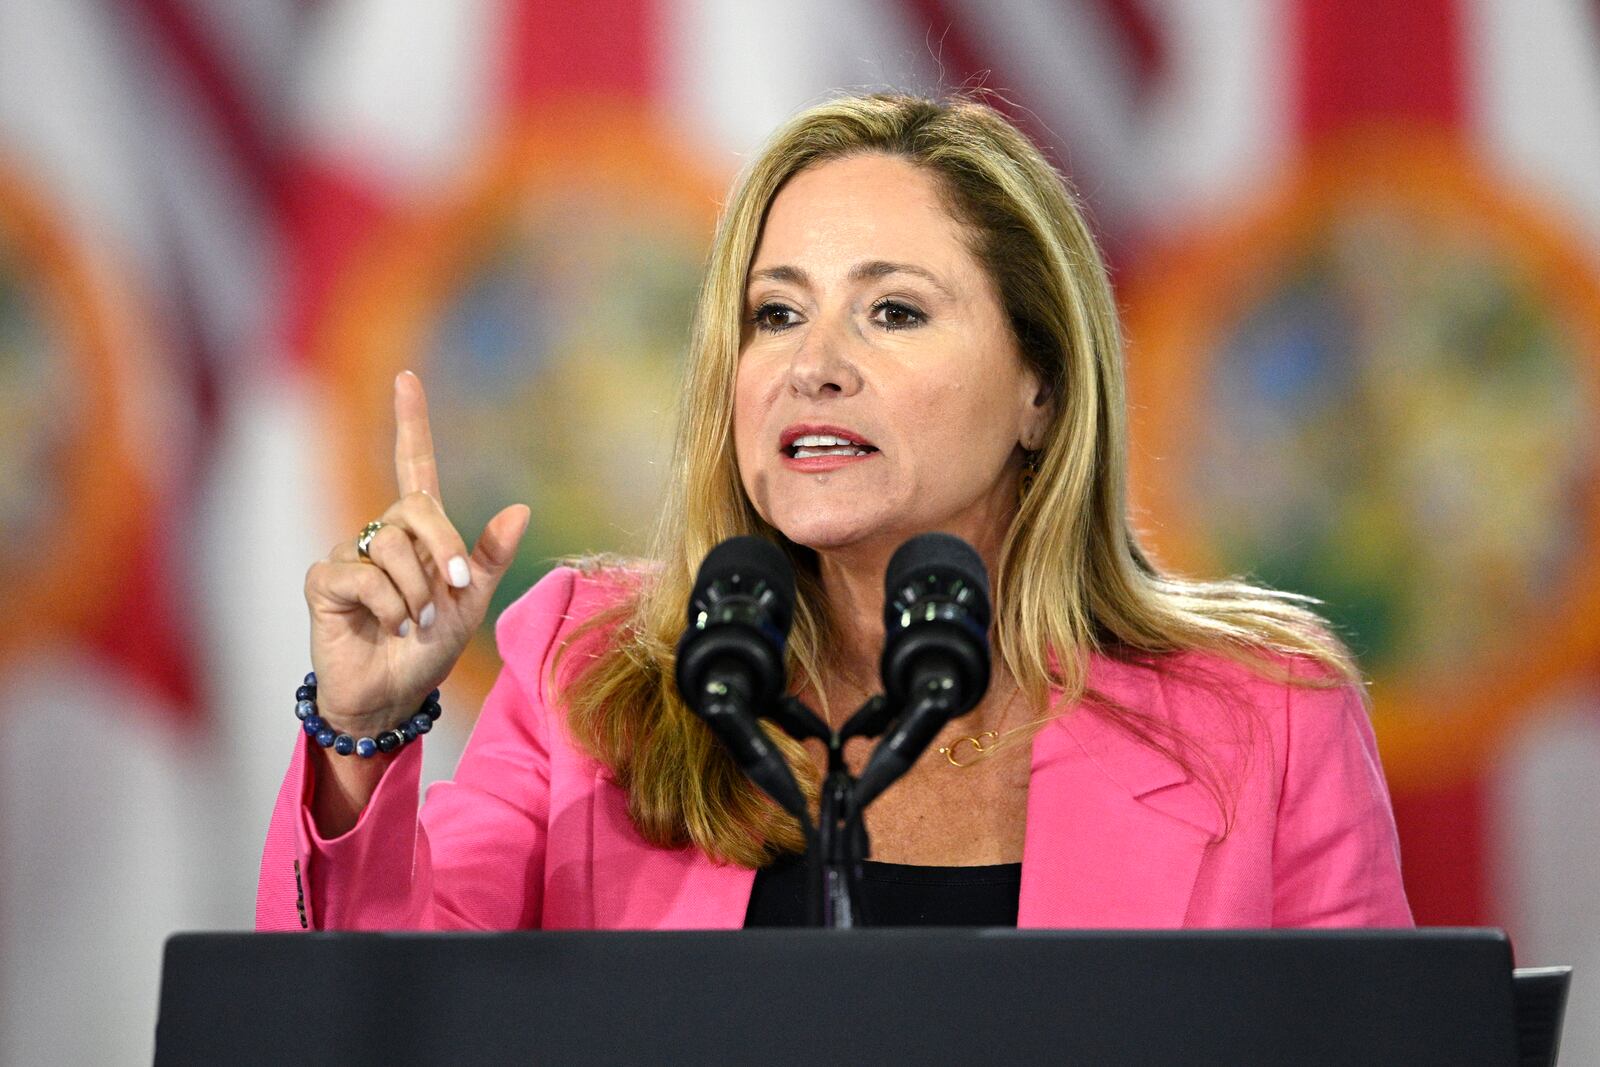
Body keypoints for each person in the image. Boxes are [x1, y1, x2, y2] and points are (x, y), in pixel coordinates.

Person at [257, 93, 1411, 931]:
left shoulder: (1267, 715)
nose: (813, 366)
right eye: (773, 315)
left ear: (1041, 386)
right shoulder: (592, 677)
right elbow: (372, 1022)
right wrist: (359, 736)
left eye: (894, 312)